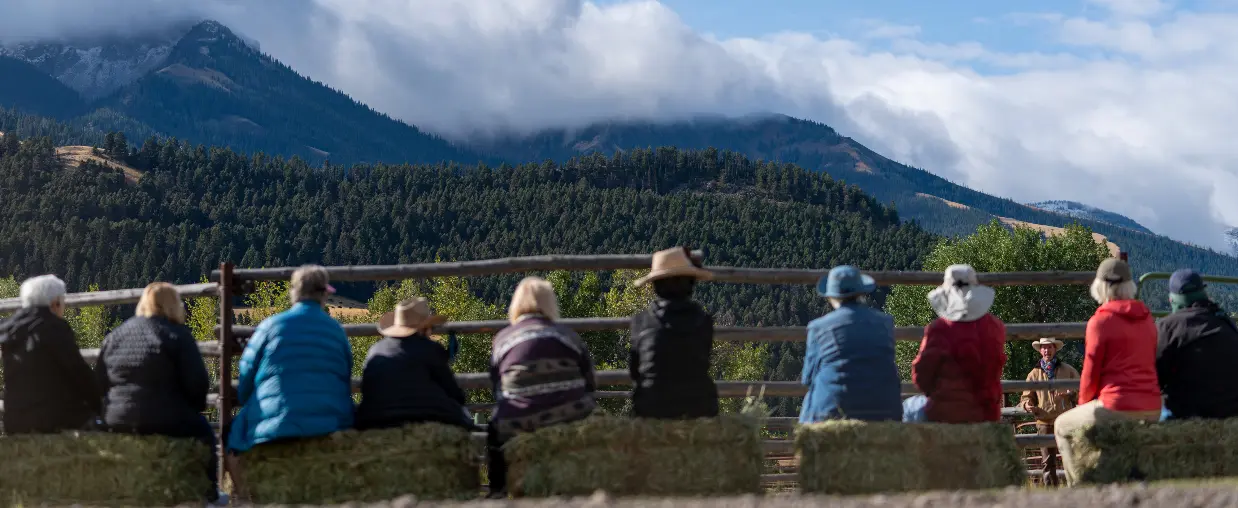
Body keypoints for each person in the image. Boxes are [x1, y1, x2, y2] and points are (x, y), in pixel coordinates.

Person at [225, 265, 354, 494]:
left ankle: (245, 497)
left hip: (274, 425)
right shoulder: (336, 331)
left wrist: (249, 400)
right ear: (324, 294)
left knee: (232, 436)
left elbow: (245, 378)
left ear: (294, 292)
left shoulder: (270, 326)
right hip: (330, 422)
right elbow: (344, 376)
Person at [95, 282, 226, 506]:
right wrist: (192, 407)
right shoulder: (177, 335)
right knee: (205, 433)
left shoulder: (116, 336)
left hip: (116, 420)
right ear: (174, 306)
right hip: (165, 419)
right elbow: (198, 384)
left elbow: (99, 383)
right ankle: (209, 494)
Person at [1054, 258, 1161, 486]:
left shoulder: (1100, 321)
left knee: (1062, 426)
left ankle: (1080, 489)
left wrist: (1083, 404)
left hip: (1117, 406)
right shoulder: (1147, 319)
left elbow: (1090, 374)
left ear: (1100, 286)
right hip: (1152, 407)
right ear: (1129, 286)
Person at [487, 276, 597, 498]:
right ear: (550, 303)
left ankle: (498, 490)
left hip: (518, 420)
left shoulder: (502, 338)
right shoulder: (569, 336)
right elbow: (590, 383)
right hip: (570, 418)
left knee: (493, 430)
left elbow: (496, 387)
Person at [905, 264, 1007, 423]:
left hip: (946, 413)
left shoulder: (939, 328)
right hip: (987, 413)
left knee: (908, 409)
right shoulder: (995, 327)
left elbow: (920, 377)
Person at [799, 265, 902, 423]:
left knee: (811, 398)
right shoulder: (885, 322)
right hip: (885, 410)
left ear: (831, 296)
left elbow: (808, 378)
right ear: (861, 292)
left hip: (834, 411)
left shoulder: (818, 327)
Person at [355, 297, 476, 431]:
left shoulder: (375, 350)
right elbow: (454, 393)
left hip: (376, 424)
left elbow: (367, 390)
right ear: (424, 328)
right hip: (425, 424)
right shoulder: (431, 349)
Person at [0, 274, 101, 434]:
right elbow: (78, 372)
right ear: (55, 303)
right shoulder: (54, 327)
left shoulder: (8, 328)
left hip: (14, 422)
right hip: (50, 421)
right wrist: (100, 403)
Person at [628, 247, 718, 419]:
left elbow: (635, 371)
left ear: (655, 285)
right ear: (690, 284)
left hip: (651, 409)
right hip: (699, 408)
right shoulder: (704, 321)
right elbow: (703, 362)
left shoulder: (640, 321)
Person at [1155, 268, 1238, 420]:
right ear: (1203, 292)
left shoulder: (1168, 327)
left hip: (1189, 415)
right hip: (1231, 413)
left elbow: (1154, 377)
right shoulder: (1226, 322)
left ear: (1172, 299)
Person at [1018, 337, 1079, 481]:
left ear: (1055, 349)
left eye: (1050, 347)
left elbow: (1081, 390)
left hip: (1065, 420)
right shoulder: (1033, 374)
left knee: (1070, 457)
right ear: (1040, 351)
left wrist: (1071, 393)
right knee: (1047, 462)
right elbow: (1026, 397)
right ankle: (1051, 494)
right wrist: (1027, 405)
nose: (1047, 350)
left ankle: (1075, 491)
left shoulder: (1068, 370)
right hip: (1044, 422)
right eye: (1044, 348)